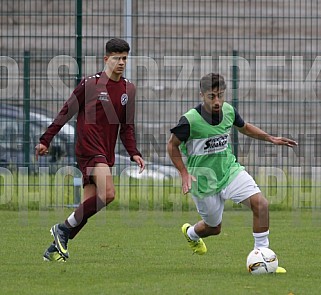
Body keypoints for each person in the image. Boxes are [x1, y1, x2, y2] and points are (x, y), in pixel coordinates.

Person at [167, 73, 297, 272]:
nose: (217, 101)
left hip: (229, 171)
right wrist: (184, 173)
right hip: (203, 181)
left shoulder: (228, 111)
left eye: (220, 95)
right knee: (214, 228)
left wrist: (270, 138)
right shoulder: (190, 120)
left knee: (261, 204)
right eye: (212, 96)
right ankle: (191, 234)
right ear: (201, 95)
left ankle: (263, 256)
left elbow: (244, 127)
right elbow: (172, 146)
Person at [36, 38, 145, 262]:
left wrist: (134, 152)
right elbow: (66, 112)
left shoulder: (129, 90)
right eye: (116, 58)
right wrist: (46, 139)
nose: (121, 62)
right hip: (88, 148)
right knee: (109, 194)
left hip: (105, 152)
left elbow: (127, 127)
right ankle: (61, 229)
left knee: (86, 208)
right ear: (106, 59)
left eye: (124, 58)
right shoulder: (90, 84)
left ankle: (54, 248)